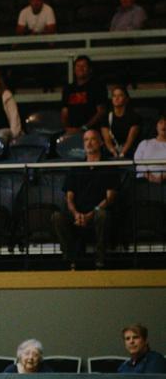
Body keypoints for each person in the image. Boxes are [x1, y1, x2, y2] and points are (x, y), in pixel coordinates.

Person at [51, 129, 120, 269]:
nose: (89, 143)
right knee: (57, 217)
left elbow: (110, 198)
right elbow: (69, 197)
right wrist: (76, 213)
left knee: (102, 215)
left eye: (93, 139)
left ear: (100, 143)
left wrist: (91, 214)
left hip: (96, 213)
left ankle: (100, 259)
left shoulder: (109, 166)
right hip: (78, 214)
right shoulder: (77, 168)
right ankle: (70, 259)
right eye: (86, 140)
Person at [60, 55, 107, 135]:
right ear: (74, 69)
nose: (80, 69)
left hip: (92, 133)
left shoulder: (97, 86)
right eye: (78, 66)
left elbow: (101, 111)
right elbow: (64, 112)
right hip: (71, 133)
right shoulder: (68, 89)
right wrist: (66, 129)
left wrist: (84, 128)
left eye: (84, 66)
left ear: (90, 69)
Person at [101, 86, 141, 159]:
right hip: (112, 153)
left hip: (130, 152)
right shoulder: (106, 117)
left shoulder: (134, 117)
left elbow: (130, 139)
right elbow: (107, 140)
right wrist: (113, 152)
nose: (116, 98)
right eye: (114, 96)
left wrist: (122, 153)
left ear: (126, 99)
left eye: (120, 95)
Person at [134, 113, 166, 184]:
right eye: (161, 122)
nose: (164, 125)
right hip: (144, 181)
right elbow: (137, 161)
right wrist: (148, 175)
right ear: (156, 126)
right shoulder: (145, 143)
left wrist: (163, 176)